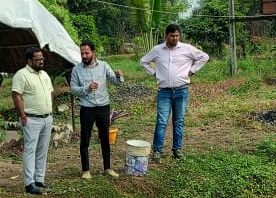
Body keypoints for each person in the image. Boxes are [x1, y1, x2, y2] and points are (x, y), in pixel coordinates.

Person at [139, 23, 209, 162]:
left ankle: (177, 150)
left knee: (179, 121)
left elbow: (204, 57)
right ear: (166, 36)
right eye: (172, 36)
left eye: (177, 36)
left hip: (181, 91)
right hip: (164, 92)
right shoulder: (157, 50)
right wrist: (154, 73)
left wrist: (192, 71)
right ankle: (157, 151)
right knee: (162, 121)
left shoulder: (187, 48)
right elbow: (143, 61)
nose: (175, 38)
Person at [69, 41, 124, 179]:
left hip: (103, 107)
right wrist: (87, 88)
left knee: (105, 138)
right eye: (82, 53)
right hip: (87, 109)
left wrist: (119, 76)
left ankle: (107, 168)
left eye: (87, 53)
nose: (84, 55)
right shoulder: (76, 70)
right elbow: (73, 89)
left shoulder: (104, 66)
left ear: (93, 52)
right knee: (85, 140)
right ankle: (86, 170)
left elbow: (115, 81)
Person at [12, 46, 55, 195]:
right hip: (31, 119)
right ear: (29, 60)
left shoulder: (44, 74)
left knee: (42, 149)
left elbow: (50, 92)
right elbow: (16, 95)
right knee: (30, 150)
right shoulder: (21, 75)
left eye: (42, 59)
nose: (41, 62)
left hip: (46, 118)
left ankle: (39, 179)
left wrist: (50, 111)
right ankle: (29, 183)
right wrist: (22, 115)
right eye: (38, 60)